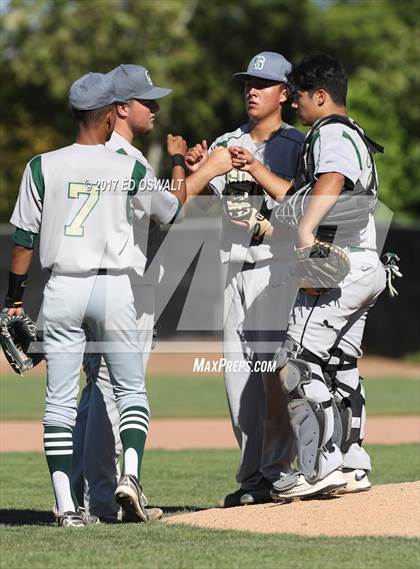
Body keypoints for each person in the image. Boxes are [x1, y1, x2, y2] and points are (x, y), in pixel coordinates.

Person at [4, 72, 187, 527]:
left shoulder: (42, 166)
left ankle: (68, 508)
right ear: (110, 113)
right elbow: (174, 211)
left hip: (63, 287)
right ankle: (130, 475)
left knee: (60, 402)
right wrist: (181, 165)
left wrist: (11, 302)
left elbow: (24, 241)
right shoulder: (129, 166)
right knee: (130, 391)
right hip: (114, 286)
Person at [71, 64, 234, 522]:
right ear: (121, 109)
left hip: (80, 283)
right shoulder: (127, 161)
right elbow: (174, 212)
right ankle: (103, 501)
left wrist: (183, 167)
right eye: (147, 101)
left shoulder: (82, 157)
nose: (156, 108)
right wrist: (210, 166)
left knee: (91, 393)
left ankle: (83, 498)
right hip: (124, 287)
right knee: (115, 391)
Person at [230, 53, 386, 499]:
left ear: (321, 96)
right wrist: (259, 177)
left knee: (297, 361)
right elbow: (303, 195)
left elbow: (331, 180)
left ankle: (323, 465)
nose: (295, 102)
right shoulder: (349, 130)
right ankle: (353, 462)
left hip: (340, 263)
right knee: (340, 366)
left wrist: (303, 229)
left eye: (299, 94)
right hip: (365, 262)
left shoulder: (332, 131)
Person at [186, 52, 304, 507]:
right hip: (232, 270)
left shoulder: (296, 145)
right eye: (248, 82)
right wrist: (199, 166)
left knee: (272, 378)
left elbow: (300, 209)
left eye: (263, 83)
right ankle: (254, 476)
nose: (251, 90)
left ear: (285, 94)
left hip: (275, 271)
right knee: (239, 383)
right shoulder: (226, 140)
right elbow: (200, 202)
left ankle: (277, 473)